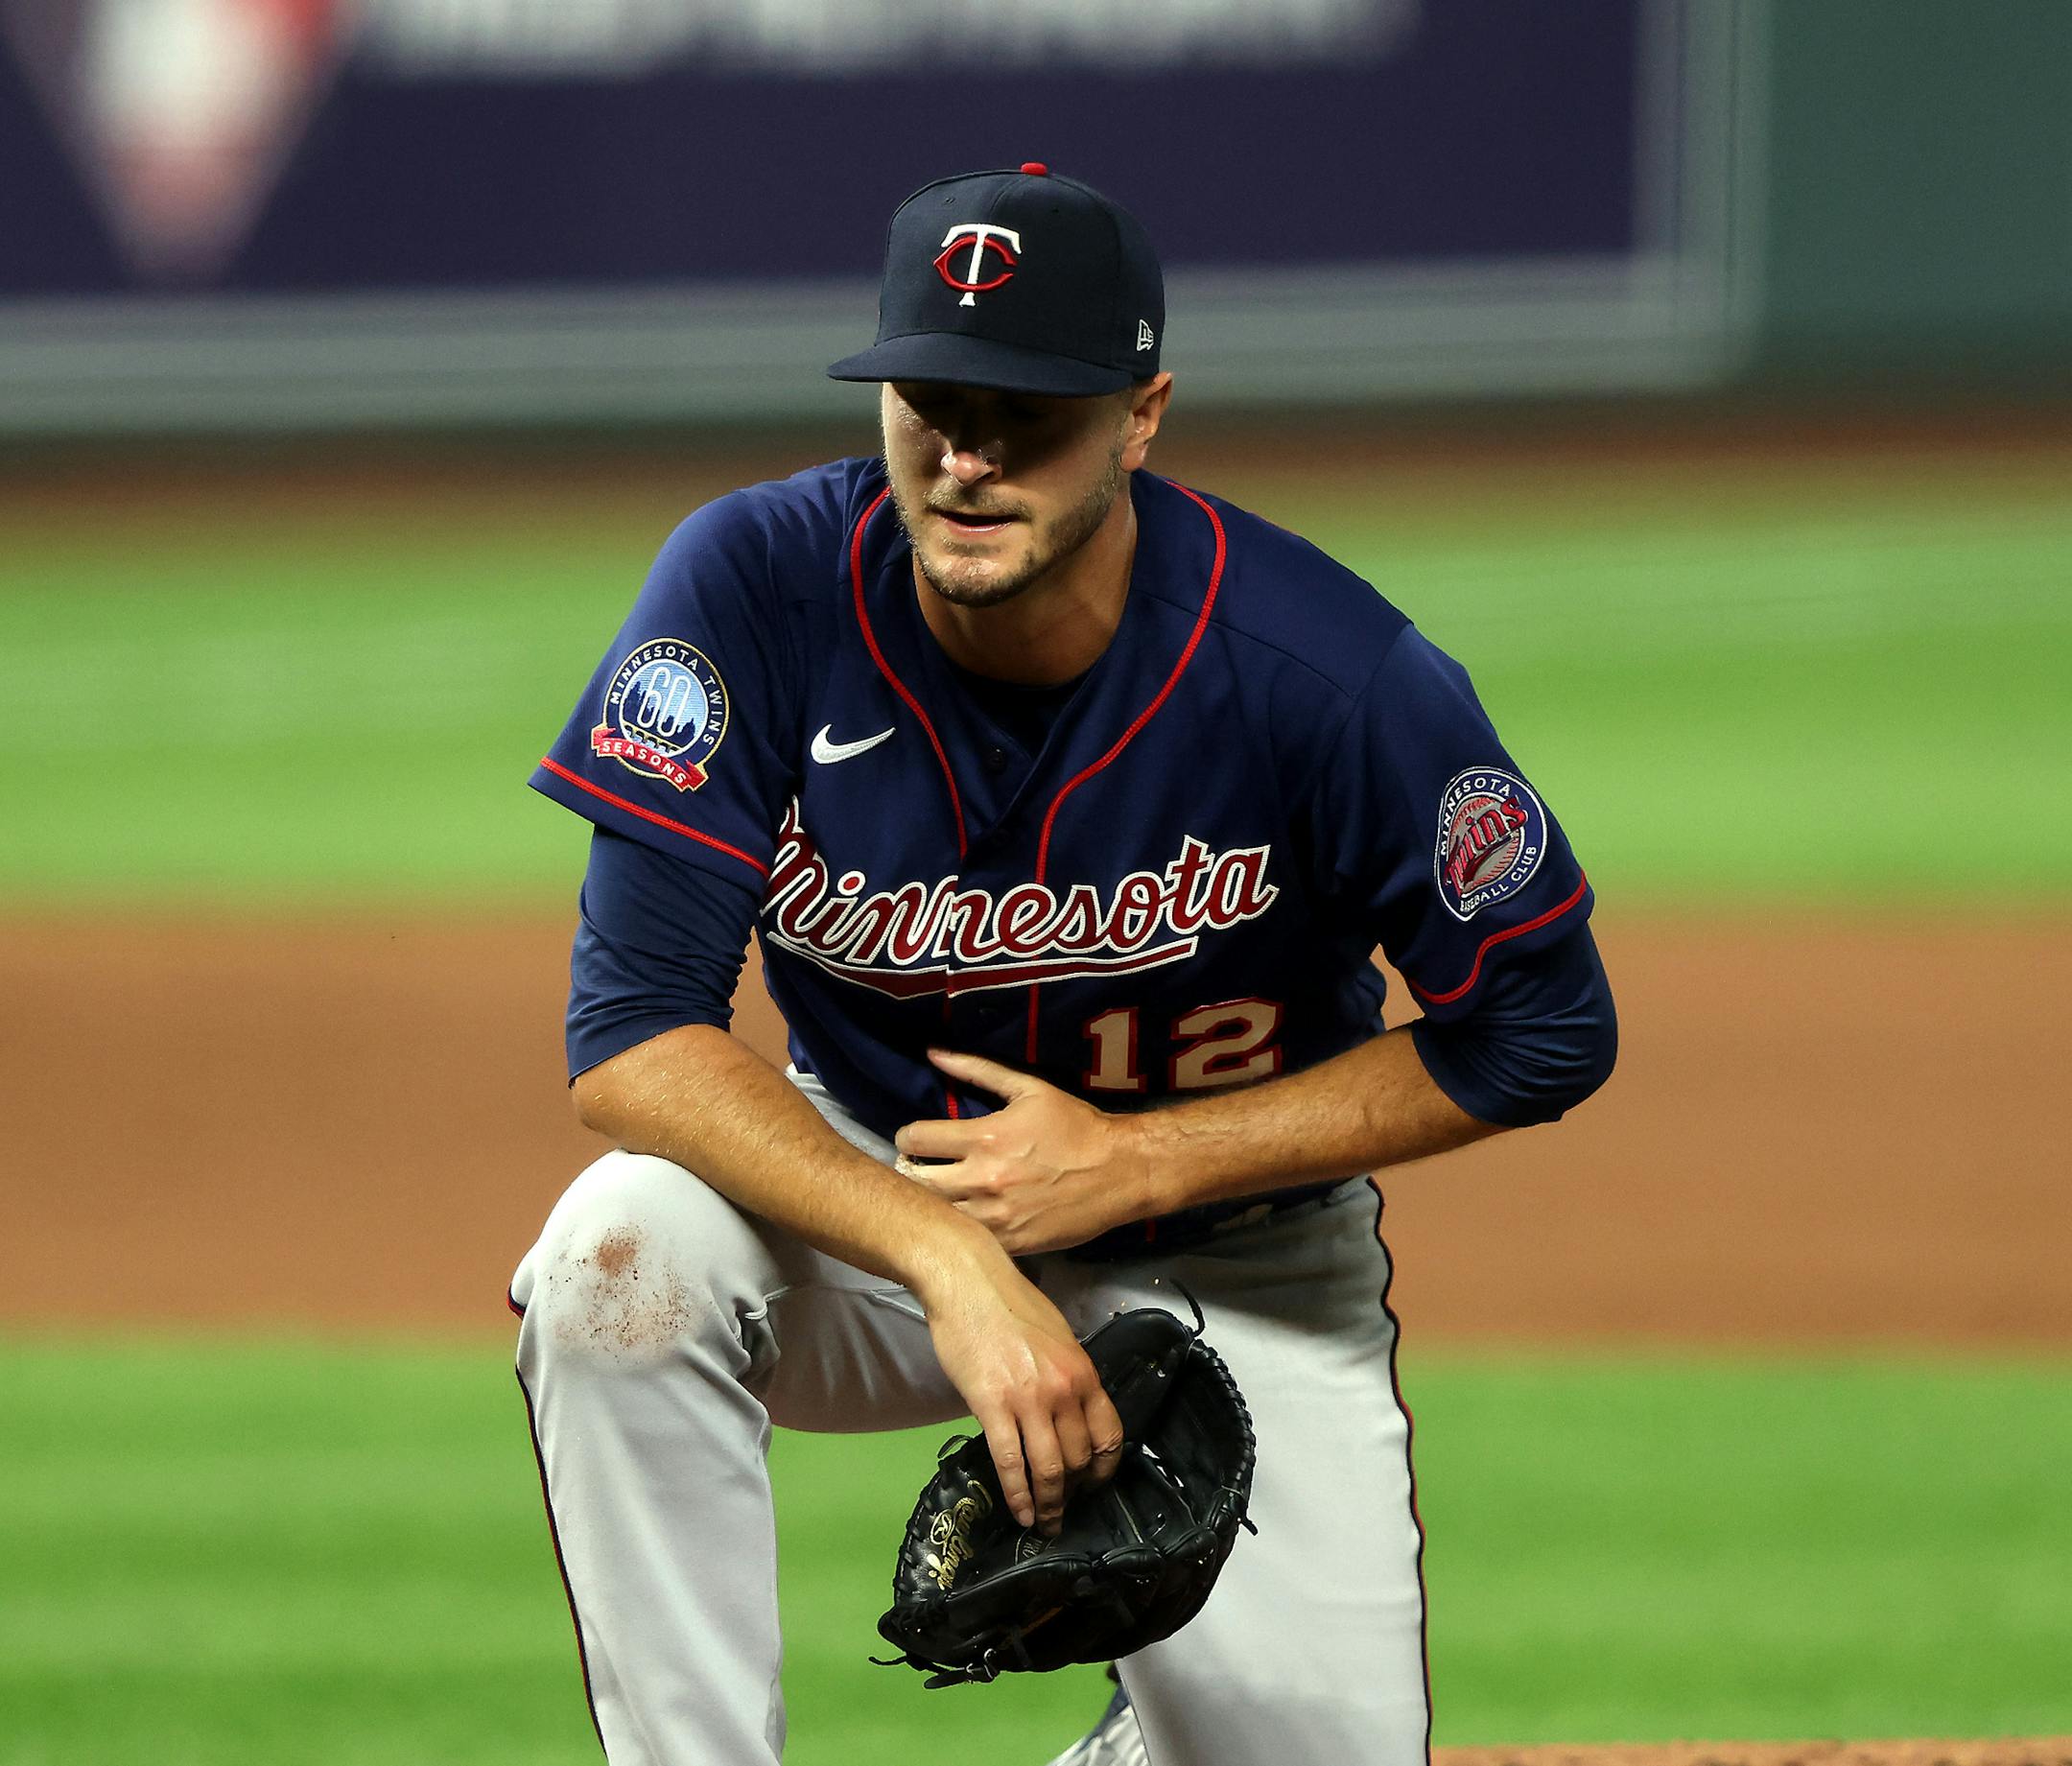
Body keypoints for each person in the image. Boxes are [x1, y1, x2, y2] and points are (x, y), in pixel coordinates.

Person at [508, 162, 1616, 1766]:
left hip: (1236, 1251)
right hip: (888, 1197)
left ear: (1142, 413)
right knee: (619, 1261)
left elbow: (1545, 1026)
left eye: (1028, 411)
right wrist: (951, 1263)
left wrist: (1137, 1159)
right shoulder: (754, 583)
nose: (968, 458)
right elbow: (626, 1032)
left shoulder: (1326, 673)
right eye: (933, 401)